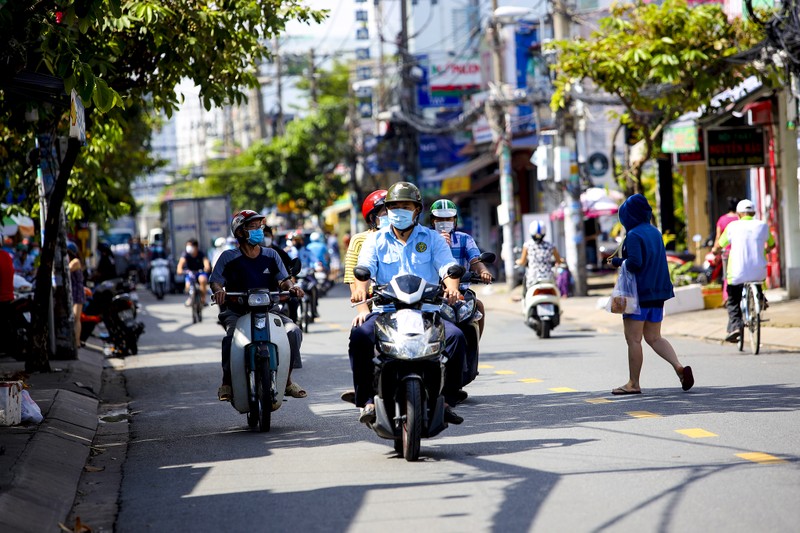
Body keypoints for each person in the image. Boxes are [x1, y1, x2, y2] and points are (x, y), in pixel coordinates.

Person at [350, 182, 467, 425]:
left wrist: (452, 286)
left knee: (457, 337)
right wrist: (361, 289)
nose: (399, 211)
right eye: (393, 206)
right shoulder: (375, 240)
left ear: (417, 210)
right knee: (360, 336)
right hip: (386, 311)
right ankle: (367, 401)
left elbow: (447, 267)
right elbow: (364, 269)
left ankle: (447, 401)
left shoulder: (433, 238)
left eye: (405, 206)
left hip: (428, 311)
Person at [211, 210, 306, 402]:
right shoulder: (227, 257)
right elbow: (216, 281)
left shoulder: (271, 255)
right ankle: (226, 383)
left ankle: (287, 382)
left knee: (293, 331)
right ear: (239, 232)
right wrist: (219, 290)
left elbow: (283, 280)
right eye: (252, 227)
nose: (258, 230)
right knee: (230, 339)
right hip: (237, 311)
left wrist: (292, 287)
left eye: (259, 226)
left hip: (269, 310)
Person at [607, 193, 694, 395]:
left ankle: (633, 383)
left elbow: (636, 263)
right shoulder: (655, 232)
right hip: (658, 293)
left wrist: (617, 262)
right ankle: (679, 368)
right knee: (654, 337)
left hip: (637, 295)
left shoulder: (634, 235)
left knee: (634, 340)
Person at [339, 189, 387, 405]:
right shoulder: (362, 240)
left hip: (411, 302)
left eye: (394, 209)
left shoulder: (415, 237)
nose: (390, 215)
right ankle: (365, 396)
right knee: (360, 336)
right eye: (384, 211)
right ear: (372, 217)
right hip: (374, 303)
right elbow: (353, 275)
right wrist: (362, 308)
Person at [713, 199, 775, 342]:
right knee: (757, 281)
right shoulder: (763, 225)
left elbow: (719, 244)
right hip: (759, 272)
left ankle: (735, 326)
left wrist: (715, 250)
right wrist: (765, 249)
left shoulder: (732, 226)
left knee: (733, 299)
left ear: (739, 214)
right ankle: (760, 298)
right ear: (753, 212)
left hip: (737, 273)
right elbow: (772, 245)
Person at [429, 198, 493, 336]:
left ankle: (473, 350)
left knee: (479, 306)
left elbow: (475, 259)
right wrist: (440, 244)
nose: (444, 222)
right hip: (430, 294)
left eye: (448, 218)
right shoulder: (426, 239)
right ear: (433, 220)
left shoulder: (465, 239)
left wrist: (482, 271)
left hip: (460, 292)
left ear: (455, 220)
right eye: (439, 219)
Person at [516, 221, 563, 300]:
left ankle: (525, 301)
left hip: (533, 278)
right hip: (548, 277)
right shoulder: (551, 245)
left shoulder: (527, 245)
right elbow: (559, 260)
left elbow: (522, 262)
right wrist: (561, 261)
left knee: (525, 287)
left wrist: (517, 261)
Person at [714, 197, 740, 302]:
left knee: (727, 275)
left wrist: (715, 250)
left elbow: (718, 237)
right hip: (740, 250)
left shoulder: (722, 220)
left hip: (727, 252)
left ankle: (727, 296)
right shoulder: (739, 219)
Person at [176, 238, 211, 307]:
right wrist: (179, 270)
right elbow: (180, 264)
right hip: (190, 273)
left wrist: (207, 267)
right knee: (188, 287)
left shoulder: (201, 254)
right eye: (187, 246)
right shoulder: (185, 254)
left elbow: (206, 262)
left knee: (203, 280)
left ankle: (203, 299)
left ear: (196, 247)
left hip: (200, 272)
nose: (189, 248)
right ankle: (190, 298)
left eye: (191, 246)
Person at [67, 241, 85, 346]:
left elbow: (67, 270)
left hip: (77, 292)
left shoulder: (75, 261)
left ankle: (77, 342)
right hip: (72, 292)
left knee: (76, 318)